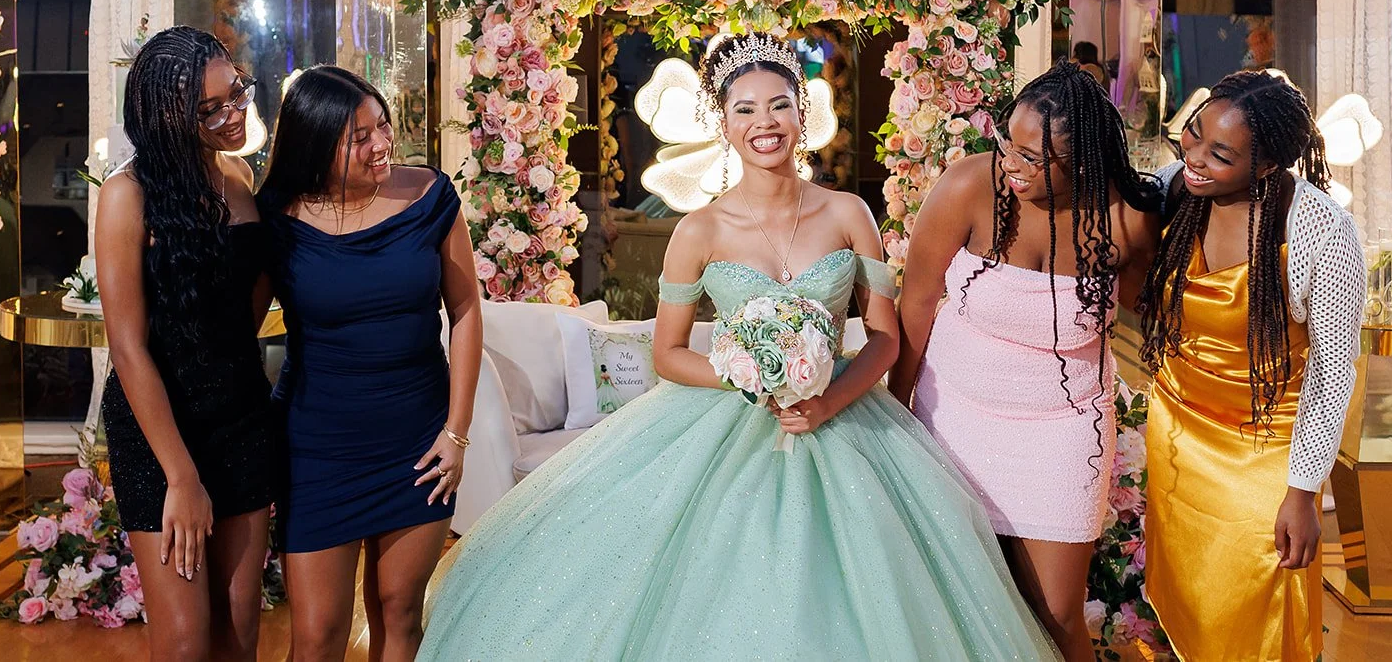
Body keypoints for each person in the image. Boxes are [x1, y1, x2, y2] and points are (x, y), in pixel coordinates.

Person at [418, 32, 1056, 661]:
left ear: (802, 114)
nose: (764, 123)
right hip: (728, 419)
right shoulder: (698, 230)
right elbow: (668, 354)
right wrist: (749, 374)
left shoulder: (848, 213)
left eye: (779, 105)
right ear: (723, 123)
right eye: (745, 109)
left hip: (844, 419)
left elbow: (885, 339)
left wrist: (826, 402)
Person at [889, 63, 1162, 661]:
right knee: (961, 598)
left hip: (1065, 428)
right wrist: (895, 416)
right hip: (953, 415)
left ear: (1082, 163)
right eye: (1007, 142)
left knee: (1057, 612)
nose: (1010, 163)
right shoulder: (969, 186)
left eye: (1032, 157)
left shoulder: (1126, 220)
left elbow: (1160, 321)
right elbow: (917, 302)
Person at [257, 65, 481, 662]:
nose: (381, 143)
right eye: (359, 137)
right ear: (314, 144)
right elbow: (237, 330)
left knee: (400, 611)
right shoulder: (277, 218)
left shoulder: (430, 195)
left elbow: (465, 311)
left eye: (383, 125)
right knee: (317, 636)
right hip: (316, 447)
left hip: (418, 441)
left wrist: (456, 432)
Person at [1138, 69, 1362, 661]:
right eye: (1195, 133)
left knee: (1259, 610)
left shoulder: (1321, 229)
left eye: (1221, 154)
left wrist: (1303, 492)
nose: (1195, 157)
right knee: (1190, 603)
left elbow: (1332, 372)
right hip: (1180, 434)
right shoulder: (1176, 190)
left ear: (1265, 166)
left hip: (1267, 446)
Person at [97, 26, 275, 662]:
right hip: (160, 430)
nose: (234, 114)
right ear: (168, 117)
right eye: (211, 109)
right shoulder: (126, 195)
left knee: (238, 632)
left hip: (241, 416)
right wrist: (181, 476)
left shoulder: (237, 176)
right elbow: (127, 348)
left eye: (236, 94)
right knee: (184, 644)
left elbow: (247, 303)